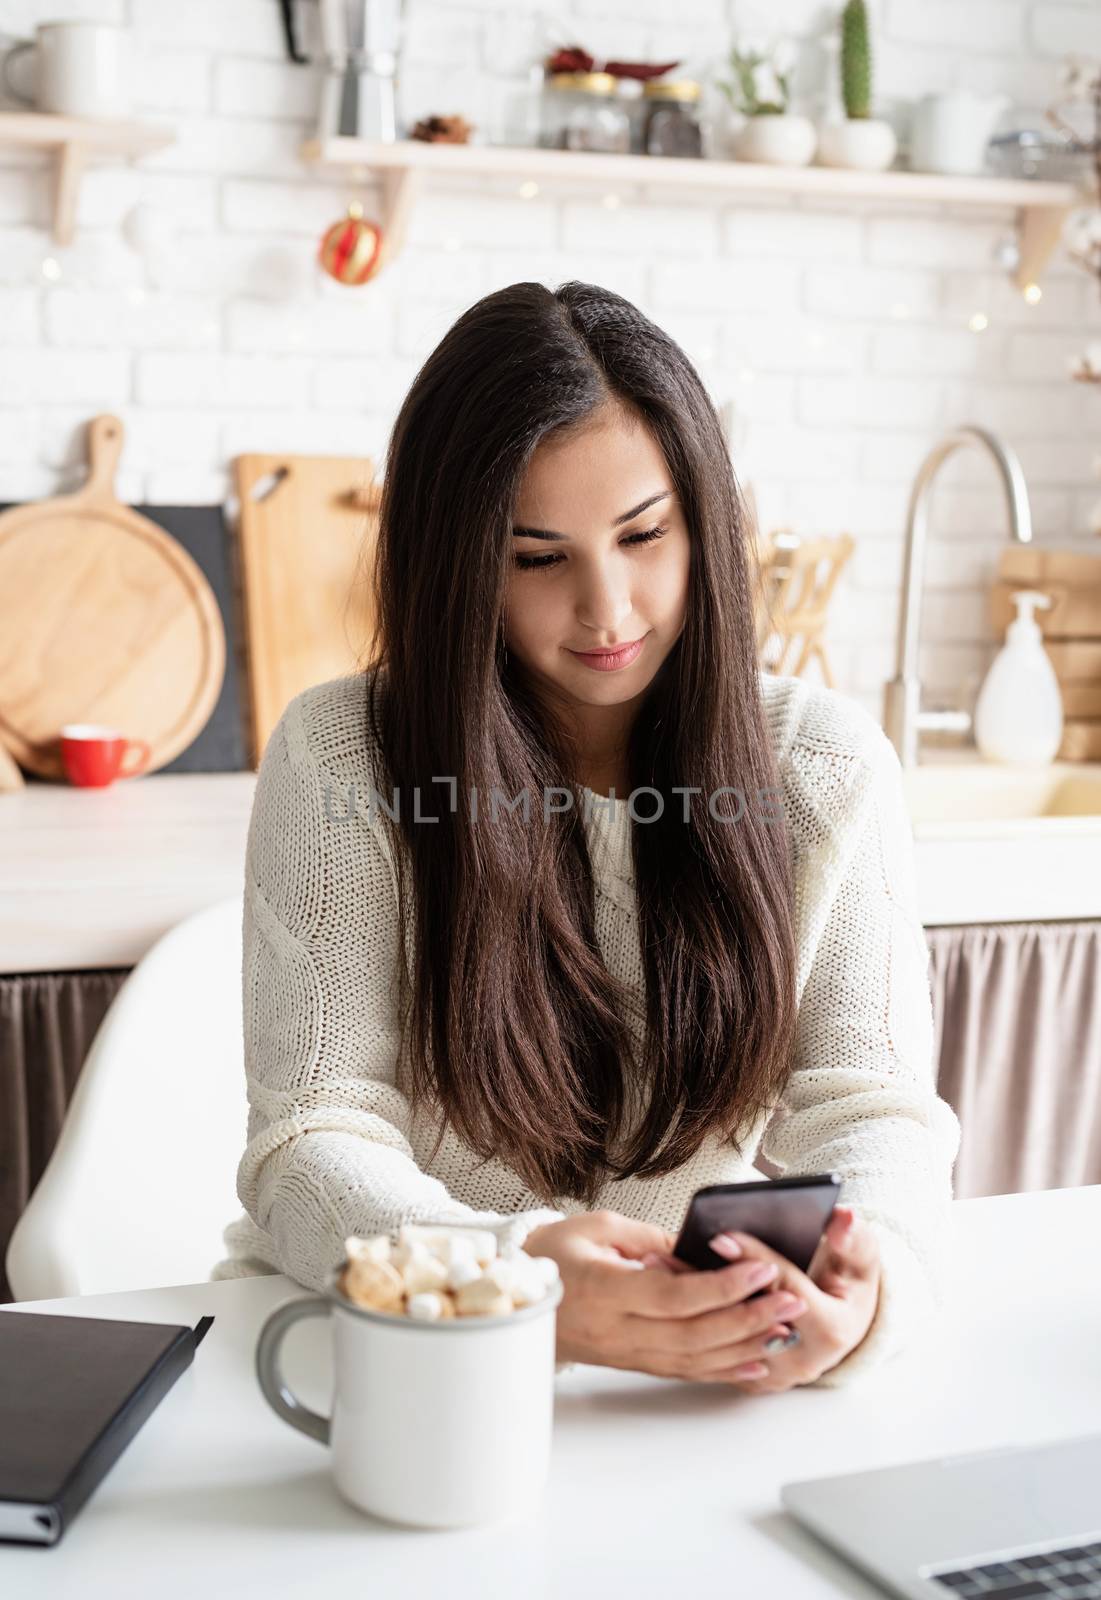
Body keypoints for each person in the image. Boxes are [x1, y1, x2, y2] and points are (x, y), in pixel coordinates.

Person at [213, 280, 961, 1393]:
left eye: (644, 535)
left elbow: (872, 1106)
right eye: (538, 557)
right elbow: (312, 1139)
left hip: (663, 1376)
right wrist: (508, 1279)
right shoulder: (342, 759)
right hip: (365, 1345)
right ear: (460, 567)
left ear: (705, 516)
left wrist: (874, 1271)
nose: (610, 610)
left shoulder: (823, 768)